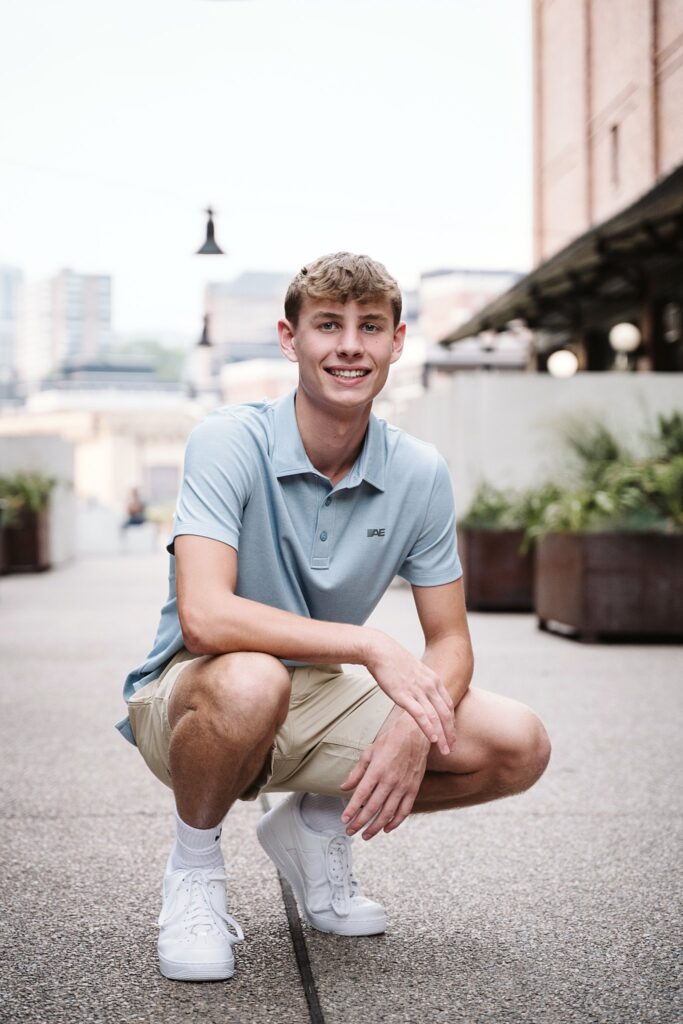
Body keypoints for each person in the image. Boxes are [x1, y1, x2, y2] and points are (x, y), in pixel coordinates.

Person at [117, 252, 551, 982]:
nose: (349, 345)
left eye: (369, 327)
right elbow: (205, 616)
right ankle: (192, 874)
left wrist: (416, 722)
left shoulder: (417, 470)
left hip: (317, 691)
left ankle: (314, 824)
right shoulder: (229, 439)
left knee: (517, 744)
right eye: (328, 325)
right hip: (196, 691)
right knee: (252, 681)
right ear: (290, 339)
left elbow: (450, 644)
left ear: (396, 342)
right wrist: (369, 644)